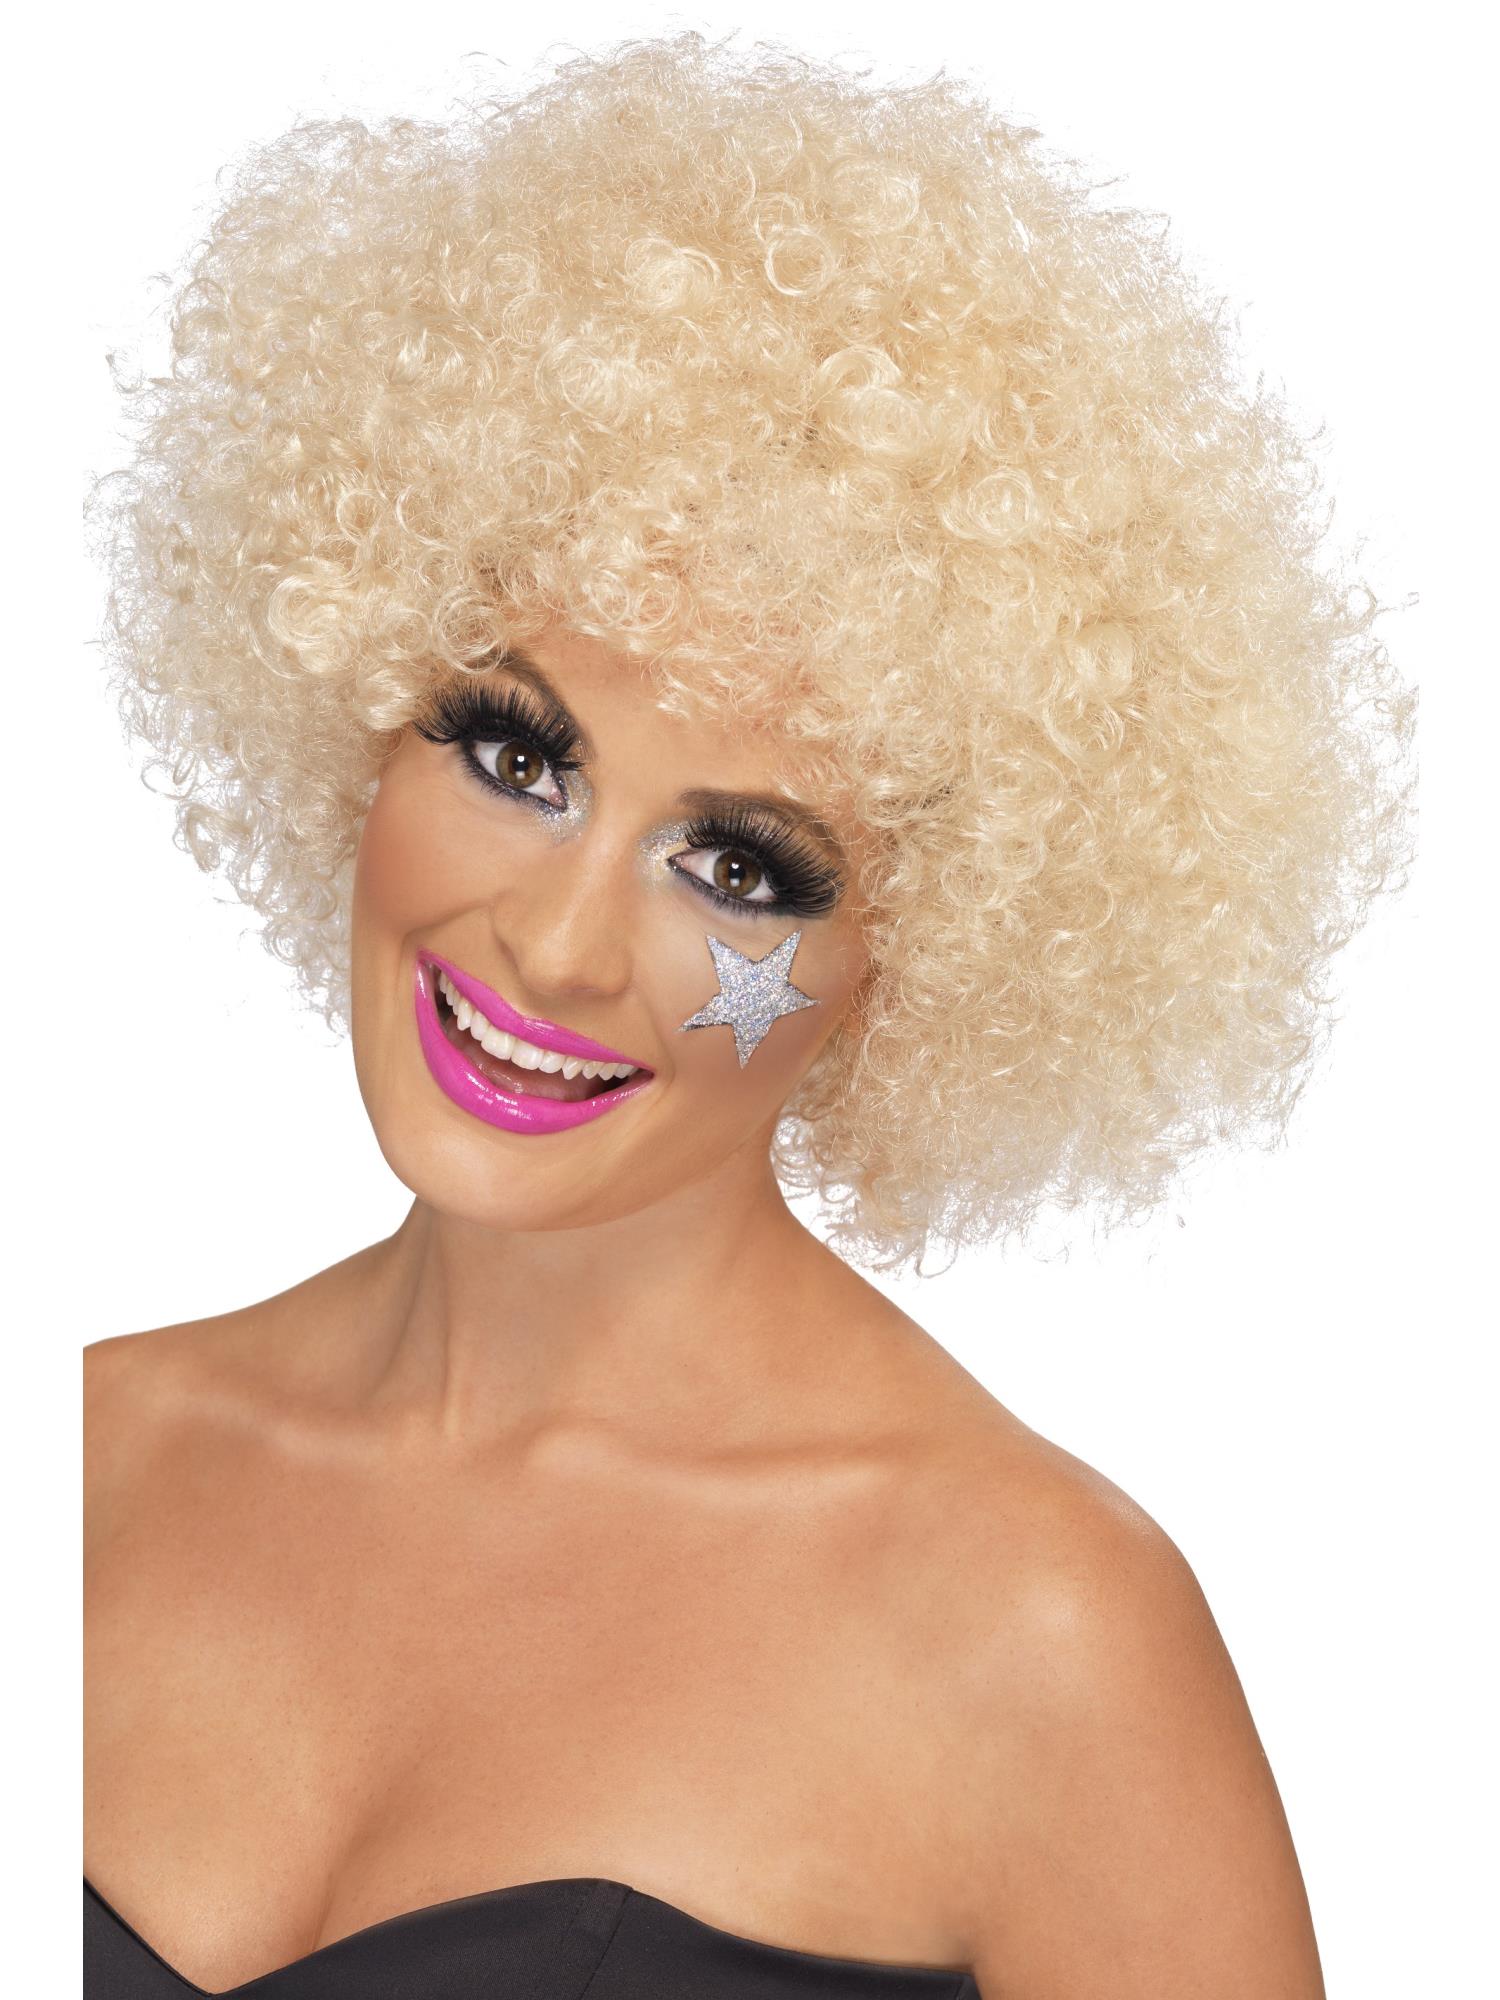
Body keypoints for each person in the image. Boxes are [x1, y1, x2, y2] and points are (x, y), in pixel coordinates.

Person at [82, 30, 1416, 1999]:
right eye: (515, 751)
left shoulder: (1034, 1637)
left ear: (921, 957)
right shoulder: (82, 1456)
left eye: (740, 866)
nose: (557, 946)